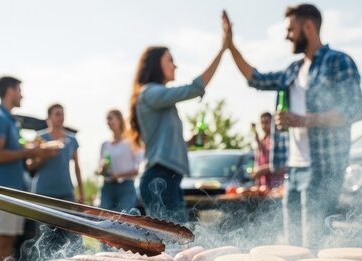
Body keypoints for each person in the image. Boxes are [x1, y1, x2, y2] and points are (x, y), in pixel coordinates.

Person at [224, 4, 362, 247]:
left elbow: (354, 110)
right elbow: (255, 78)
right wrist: (230, 46)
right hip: (294, 171)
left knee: (314, 245)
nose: (286, 35)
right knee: (292, 246)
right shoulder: (293, 70)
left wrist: (301, 120)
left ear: (308, 26)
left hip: (322, 169)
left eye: (290, 29)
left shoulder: (338, 61)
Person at [129, 13, 230, 223]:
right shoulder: (149, 93)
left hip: (169, 179)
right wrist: (222, 49)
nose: (175, 65)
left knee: (179, 242)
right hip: (159, 179)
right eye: (170, 60)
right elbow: (194, 88)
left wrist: (188, 142)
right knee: (173, 244)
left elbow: (164, 143)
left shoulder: (160, 99)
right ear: (157, 64)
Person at [0, 76, 58, 261]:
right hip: (0, 187)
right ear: (10, 91)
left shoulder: (11, 121)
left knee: (10, 238)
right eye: (19, 90)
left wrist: (34, 148)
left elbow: (15, 150)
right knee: (0, 237)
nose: (22, 95)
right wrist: (32, 152)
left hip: (12, 188)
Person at [28, 104, 84, 202]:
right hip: (42, 193)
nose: (61, 117)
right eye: (57, 114)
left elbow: (77, 167)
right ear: (49, 117)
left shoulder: (72, 140)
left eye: (62, 114)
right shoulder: (40, 137)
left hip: (66, 193)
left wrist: (81, 192)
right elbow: (30, 165)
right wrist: (44, 155)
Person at [97, 109, 142, 212]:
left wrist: (117, 175)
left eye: (110, 118)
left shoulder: (131, 142)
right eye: (107, 119)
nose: (108, 122)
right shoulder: (105, 145)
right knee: (105, 218)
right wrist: (102, 169)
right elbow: (101, 170)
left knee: (124, 219)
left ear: (120, 120)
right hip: (107, 188)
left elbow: (137, 169)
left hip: (126, 187)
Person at [252, 112, 286, 189]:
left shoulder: (278, 140)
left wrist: (262, 170)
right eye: (262, 123)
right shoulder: (262, 140)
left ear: (272, 123)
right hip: (264, 186)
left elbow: (282, 164)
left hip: (276, 185)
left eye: (267, 122)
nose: (264, 125)